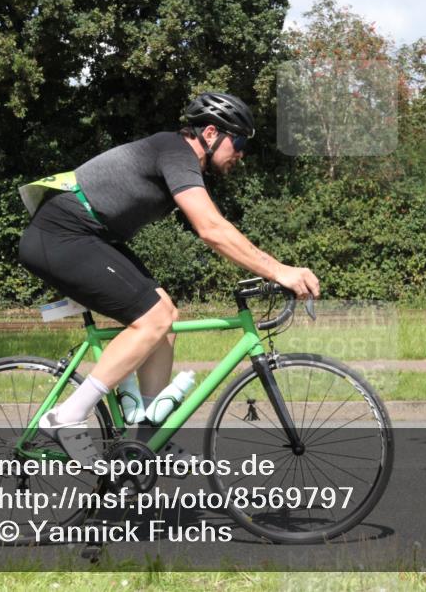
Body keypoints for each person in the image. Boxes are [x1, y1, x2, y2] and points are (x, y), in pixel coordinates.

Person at [18, 92, 320, 468]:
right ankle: (67, 416)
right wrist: (279, 270)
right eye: (240, 142)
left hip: (87, 236)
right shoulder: (175, 151)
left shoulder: (178, 159)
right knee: (155, 318)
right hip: (62, 234)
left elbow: (213, 228)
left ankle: (148, 440)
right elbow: (211, 229)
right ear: (211, 133)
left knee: (166, 317)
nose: (241, 154)